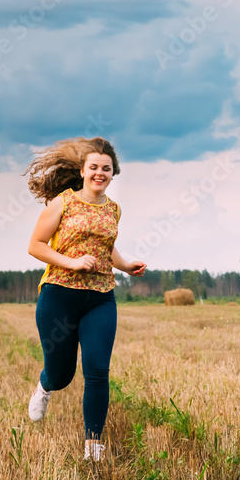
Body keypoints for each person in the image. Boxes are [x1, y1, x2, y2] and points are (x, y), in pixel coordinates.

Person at [23, 136, 145, 461]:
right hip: (59, 297)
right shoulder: (63, 203)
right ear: (82, 170)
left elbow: (108, 250)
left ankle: (93, 444)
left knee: (97, 371)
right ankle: (45, 386)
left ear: (112, 174)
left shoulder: (114, 210)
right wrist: (72, 262)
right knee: (62, 375)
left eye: (106, 169)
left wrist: (127, 263)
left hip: (101, 298)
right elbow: (36, 245)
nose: (99, 173)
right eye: (94, 167)